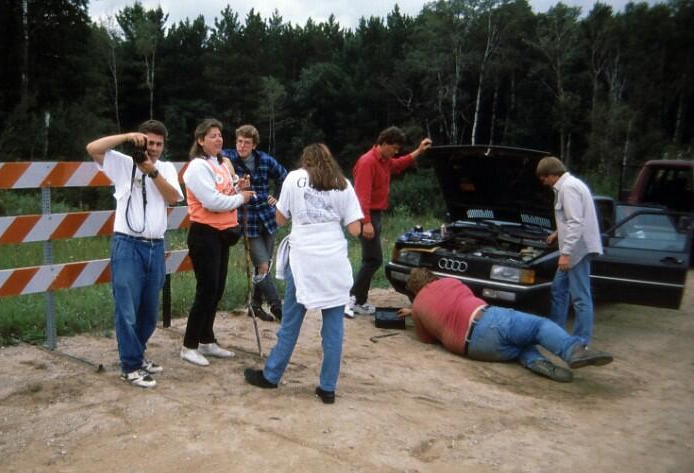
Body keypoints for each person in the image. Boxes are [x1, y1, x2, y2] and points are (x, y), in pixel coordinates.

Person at [243, 143, 363, 404]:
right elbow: (355, 229)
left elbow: (280, 219)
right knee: (333, 327)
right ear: (329, 159)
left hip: (305, 259)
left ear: (305, 160)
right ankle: (328, 387)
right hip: (332, 259)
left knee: (291, 322)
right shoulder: (342, 183)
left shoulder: (294, 179)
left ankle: (272, 375)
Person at [86, 120, 183, 388]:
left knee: (149, 311)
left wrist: (151, 172)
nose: (152, 148)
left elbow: (174, 198)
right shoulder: (123, 164)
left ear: (164, 146)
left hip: (155, 245)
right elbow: (92, 148)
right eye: (148, 143)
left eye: (158, 144)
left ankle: (137, 356)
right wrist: (127, 136)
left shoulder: (164, 168)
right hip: (127, 243)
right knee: (127, 308)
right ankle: (130, 366)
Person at [398, 268, 613, 383]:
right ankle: (572, 351)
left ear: (416, 290)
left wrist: (416, 312)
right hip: (486, 322)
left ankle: (536, 361)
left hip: (474, 349)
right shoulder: (449, 282)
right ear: (432, 277)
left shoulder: (418, 307)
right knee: (537, 326)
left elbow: (426, 339)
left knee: (518, 344)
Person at [180, 119, 255, 366]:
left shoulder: (222, 163)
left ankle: (207, 339)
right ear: (200, 140)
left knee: (217, 288)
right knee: (206, 289)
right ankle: (189, 345)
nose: (219, 139)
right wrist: (240, 199)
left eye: (220, 135)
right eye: (212, 135)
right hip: (204, 234)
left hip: (222, 233)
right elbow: (212, 201)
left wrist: (238, 188)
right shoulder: (196, 168)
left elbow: (226, 191)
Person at [347, 126, 432, 318]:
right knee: (373, 259)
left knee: (370, 259)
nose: (395, 152)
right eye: (393, 147)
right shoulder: (367, 162)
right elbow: (361, 196)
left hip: (374, 215)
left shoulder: (385, 161)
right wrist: (366, 222)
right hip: (366, 216)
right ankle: (353, 300)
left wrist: (418, 151)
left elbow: (400, 164)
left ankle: (355, 299)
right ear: (383, 143)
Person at [221, 124, 288, 323]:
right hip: (247, 219)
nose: (242, 146)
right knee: (263, 265)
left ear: (254, 145)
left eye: (246, 142)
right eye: (239, 141)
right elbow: (216, 158)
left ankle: (255, 305)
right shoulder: (229, 157)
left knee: (264, 266)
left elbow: (285, 177)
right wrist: (228, 167)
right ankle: (277, 306)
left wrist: (277, 197)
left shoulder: (265, 160)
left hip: (268, 217)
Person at [537, 157, 603, 347]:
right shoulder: (570, 185)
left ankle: (581, 342)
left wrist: (565, 254)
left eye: (543, 178)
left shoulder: (568, 188)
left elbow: (576, 222)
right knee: (558, 289)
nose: (543, 182)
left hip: (577, 251)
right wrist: (558, 233)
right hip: (573, 249)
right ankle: (555, 332)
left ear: (552, 174)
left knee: (581, 297)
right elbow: (572, 218)